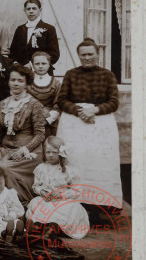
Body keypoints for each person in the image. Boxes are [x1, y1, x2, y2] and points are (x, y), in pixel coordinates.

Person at [56, 38, 122, 209]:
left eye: (90, 54)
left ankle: (102, 206)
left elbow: (114, 102)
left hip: (100, 126)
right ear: (79, 56)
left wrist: (94, 110)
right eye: (83, 54)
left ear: (97, 54)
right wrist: (80, 111)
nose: (87, 58)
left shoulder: (108, 75)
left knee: (100, 162)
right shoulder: (71, 74)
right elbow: (62, 100)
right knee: (76, 162)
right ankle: (77, 204)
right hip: (74, 126)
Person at [0, 64, 46, 205]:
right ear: (8, 81)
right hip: (5, 148)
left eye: (20, 81)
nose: (16, 84)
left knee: (3, 168)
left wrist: (24, 150)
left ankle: (17, 205)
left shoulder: (34, 104)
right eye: (13, 80)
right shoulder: (3, 104)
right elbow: (1, 130)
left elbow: (40, 134)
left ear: (26, 84)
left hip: (27, 151)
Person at [26, 136, 90, 240]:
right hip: (46, 200)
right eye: (48, 152)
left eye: (54, 152)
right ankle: (37, 226)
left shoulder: (69, 170)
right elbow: (36, 186)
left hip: (63, 201)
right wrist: (42, 192)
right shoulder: (41, 168)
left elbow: (77, 191)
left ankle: (53, 227)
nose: (50, 155)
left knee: (71, 209)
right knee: (35, 202)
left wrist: (61, 194)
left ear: (60, 153)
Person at [9, 0, 59, 70]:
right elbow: (13, 52)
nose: (31, 11)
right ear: (25, 11)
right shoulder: (20, 29)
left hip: (42, 70)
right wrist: (17, 65)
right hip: (22, 71)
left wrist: (32, 65)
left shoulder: (49, 29)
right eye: (28, 9)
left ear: (40, 10)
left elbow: (54, 54)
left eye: (34, 8)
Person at [27, 51, 61, 137]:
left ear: (49, 64)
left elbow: (58, 105)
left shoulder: (56, 83)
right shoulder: (27, 82)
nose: (40, 66)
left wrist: (47, 120)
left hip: (49, 122)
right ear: (33, 65)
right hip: (29, 121)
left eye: (44, 63)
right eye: (37, 64)